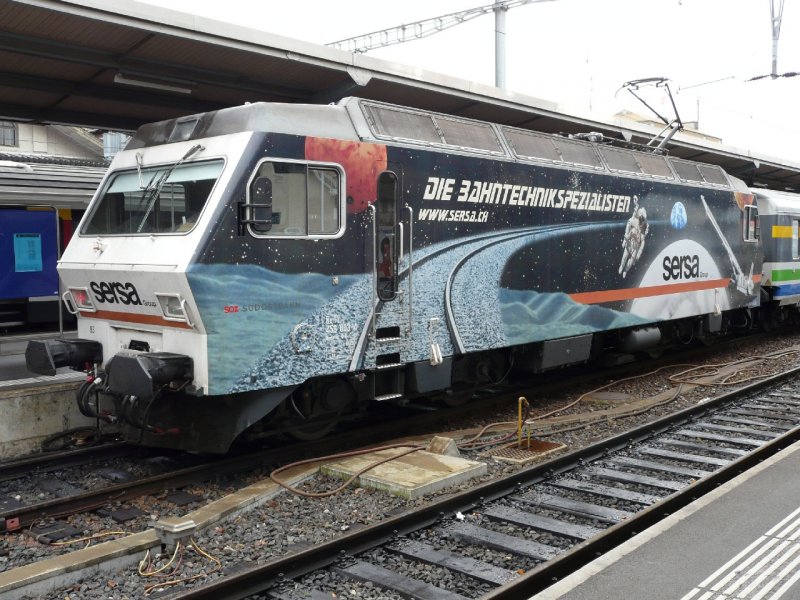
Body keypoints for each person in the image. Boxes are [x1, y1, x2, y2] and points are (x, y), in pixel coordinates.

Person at [619, 196, 648, 278]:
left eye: (642, 224)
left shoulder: (643, 234)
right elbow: (629, 224)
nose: (641, 225)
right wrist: (625, 241)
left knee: (630, 262)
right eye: (640, 221)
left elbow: (641, 248)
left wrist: (637, 258)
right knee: (624, 257)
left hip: (635, 248)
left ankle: (625, 270)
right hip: (629, 243)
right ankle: (621, 266)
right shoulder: (634, 221)